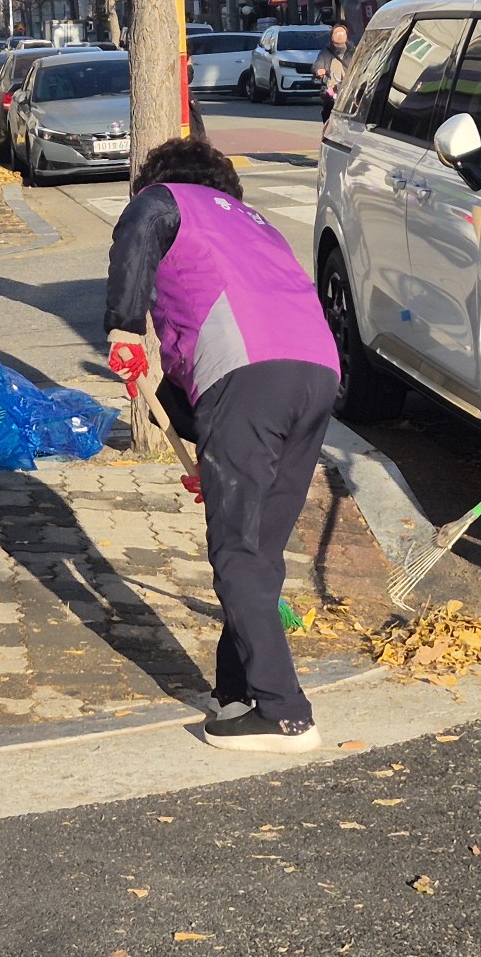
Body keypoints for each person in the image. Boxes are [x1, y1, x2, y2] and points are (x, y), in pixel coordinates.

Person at [104, 137, 341, 754]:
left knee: (236, 551)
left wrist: (124, 327)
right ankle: (237, 694)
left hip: (251, 377)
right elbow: (193, 377)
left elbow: (144, 221)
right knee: (259, 548)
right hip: (317, 373)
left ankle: (286, 713)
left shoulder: (164, 202)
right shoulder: (253, 227)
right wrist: (213, 449)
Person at [312, 23, 351, 123]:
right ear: (332, 36)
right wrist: (319, 70)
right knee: (328, 108)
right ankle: (327, 127)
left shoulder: (353, 51)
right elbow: (317, 65)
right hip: (330, 87)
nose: (339, 35)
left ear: (346, 36)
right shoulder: (325, 52)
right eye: (337, 33)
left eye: (342, 33)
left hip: (348, 87)